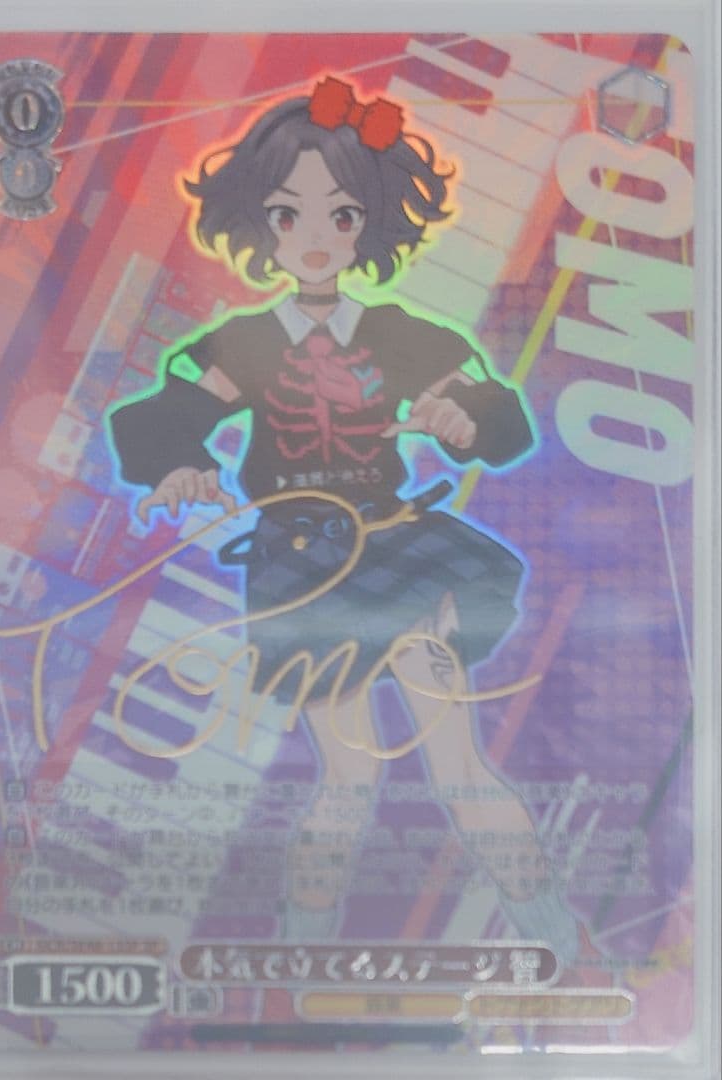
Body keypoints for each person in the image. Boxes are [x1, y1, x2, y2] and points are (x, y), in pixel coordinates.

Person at [109, 76, 581, 964]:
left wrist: (460, 419)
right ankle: (304, 946)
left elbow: (499, 416)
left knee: (458, 765)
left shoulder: (405, 337)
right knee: (348, 777)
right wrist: (181, 464)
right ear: (260, 223)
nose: (315, 237)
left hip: (399, 546)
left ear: (371, 223)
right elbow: (159, 418)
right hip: (302, 568)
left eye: (342, 215)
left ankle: (551, 930)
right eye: (288, 215)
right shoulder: (244, 345)